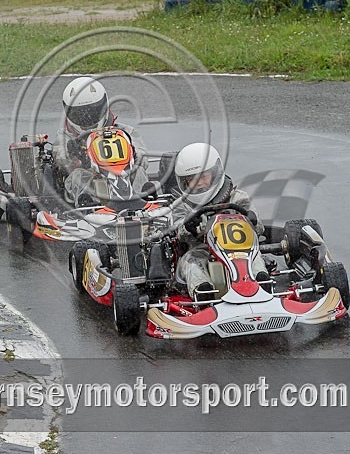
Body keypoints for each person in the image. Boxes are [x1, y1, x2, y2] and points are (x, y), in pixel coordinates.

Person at [171, 142, 269, 301]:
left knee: (255, 256)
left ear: (215, 173)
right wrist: (188, 227)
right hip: (202, 250)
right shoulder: (182, 205)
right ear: (185, 181)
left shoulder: (237, 197)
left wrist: (251, 221)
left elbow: (259, 229)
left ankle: (262, 285)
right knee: (190, 261)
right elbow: (177, 235)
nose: (199, 183)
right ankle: (203, 294)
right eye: (192, 179)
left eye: (203, 176)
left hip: (240, 249)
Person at [55, 76, 148, 206]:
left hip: (122, 175)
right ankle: (87, 207)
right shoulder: (66, 137)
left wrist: (133, 153)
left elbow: (143, 158)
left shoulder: (125, 132)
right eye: (80, 114)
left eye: (92, 112)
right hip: (91, 182)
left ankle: (143, 206)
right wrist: (75, 156)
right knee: (78, 175)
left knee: (138, 171)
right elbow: (60, 157)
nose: (87, 118)